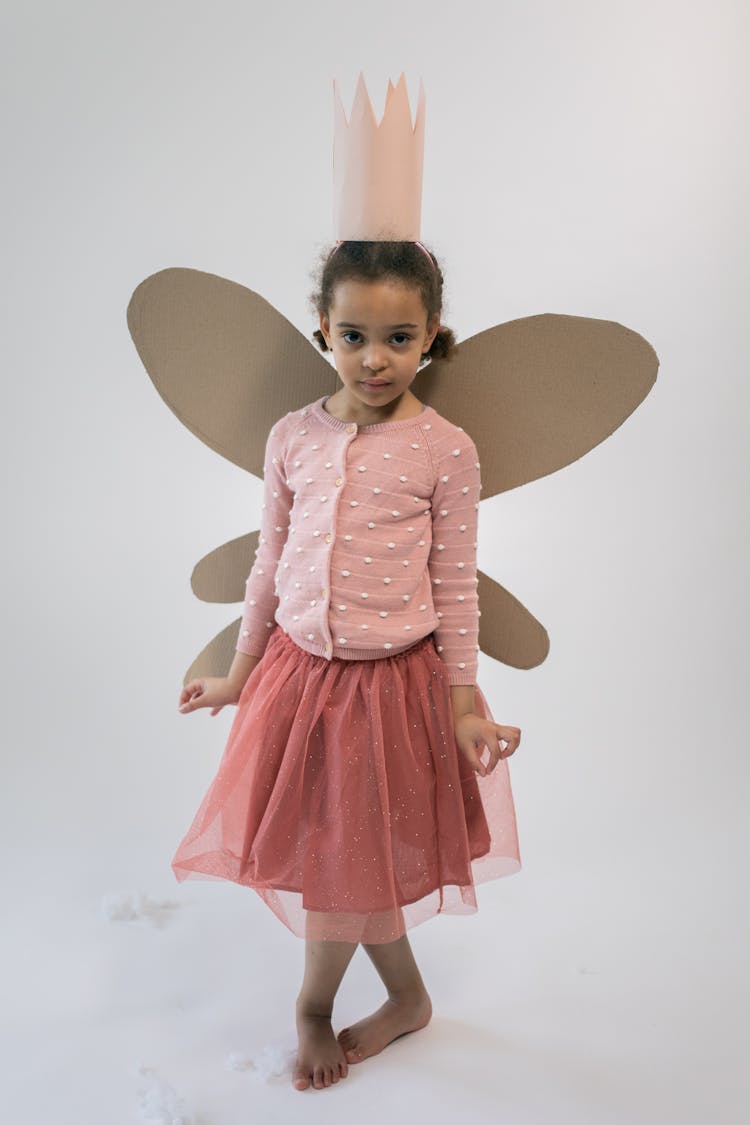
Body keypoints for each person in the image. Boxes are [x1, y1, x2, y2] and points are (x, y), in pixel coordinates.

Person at [172, 240, 522, 1092]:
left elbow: (455, 591)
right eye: (355, 334)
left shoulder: (446, 450)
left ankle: (317, 1004)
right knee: (337, 853)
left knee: (348, 856)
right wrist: (239, 673)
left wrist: (465, 706)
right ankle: (401, 998)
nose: (375, 358)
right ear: (322, 327)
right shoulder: (294, 434)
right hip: (298, 681)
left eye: (400, 338)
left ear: (433, 335)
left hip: (388, 690)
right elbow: (270, 561)